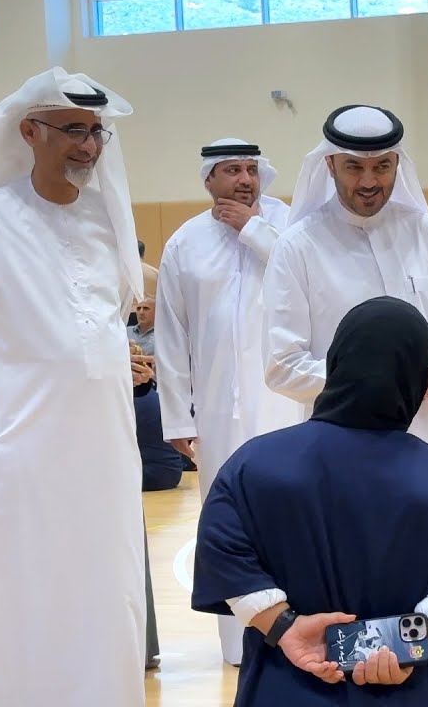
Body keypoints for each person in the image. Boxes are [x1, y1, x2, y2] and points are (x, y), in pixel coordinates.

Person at [0, 67, 151, 707]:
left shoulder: (108, 221)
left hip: (105, 456)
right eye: (72, 131)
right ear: (30, 131)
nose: (87, 146)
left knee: (109, 592)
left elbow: (107, 325)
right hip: (18, 459)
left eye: (97, 133)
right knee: (22, 600)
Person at [261, 104, 428, 705]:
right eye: (355, 167)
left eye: (383, 166)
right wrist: (367, 389)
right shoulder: (299, 247)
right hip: (341, 458)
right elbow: (281, 363)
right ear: (330, 165)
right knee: (361, 585)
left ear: (398, 165)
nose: (369, 182)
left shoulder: (425, 232)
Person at [192, 296, 428, 707]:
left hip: (286, 684)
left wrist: (286, 627)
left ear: (336, 362)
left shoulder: (250, 466)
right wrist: (406, 642)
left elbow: (224, 554)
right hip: (414, 690)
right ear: (415, 375)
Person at [156, 137, 305, 665]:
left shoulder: (291, 226)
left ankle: (302, 626)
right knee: (226, 520)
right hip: (217, 411)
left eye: (251, 169)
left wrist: (252, 230)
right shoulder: (185, 243)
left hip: (292, 404)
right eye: (231, 170)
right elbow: (172, 336)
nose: (245, 179)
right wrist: (177, 413)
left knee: (296, 516)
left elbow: (303, 274)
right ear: (208, 180)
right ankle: (240, 643)